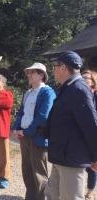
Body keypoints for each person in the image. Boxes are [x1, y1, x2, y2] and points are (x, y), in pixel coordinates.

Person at [44, 51, 97, 200]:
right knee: (52, 195)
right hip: (61, 155)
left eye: (55, 66)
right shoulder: (67, 87)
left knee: (70, 197)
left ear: (64, 68)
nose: (53, 70)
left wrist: (95, 156)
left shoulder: (79, 89)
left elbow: (91, 125)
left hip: (72, 158)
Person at [12, 63, 56, 200]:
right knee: (27, 170)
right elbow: (21, 112)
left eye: (32, 72)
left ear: (41, 75)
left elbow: (43, 116)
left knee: (39, 172)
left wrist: (27, 132)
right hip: (24, 135)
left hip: (37, 137)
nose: (29, 75)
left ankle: (42, 198)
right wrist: (16, 128)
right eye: (28, 73)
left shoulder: (47, 92)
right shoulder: (28, 92)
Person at [81, 69, 97, 200]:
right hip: (79, 136)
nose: (82, 78)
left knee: (93, 166)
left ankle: (90, 191)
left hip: (93, 136)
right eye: (82, 76)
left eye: (86, 77)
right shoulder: (77, 94)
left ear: (93, 82)